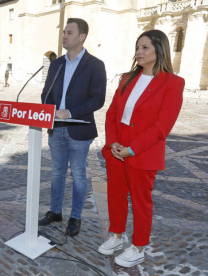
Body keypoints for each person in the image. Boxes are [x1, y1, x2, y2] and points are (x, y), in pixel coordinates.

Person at [98, 29, 184, 268]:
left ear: (160, 49)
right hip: (117, 146)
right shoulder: (127, 78)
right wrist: (113, 141)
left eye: (145, 47)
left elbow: (161, 127)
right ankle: (116, 235)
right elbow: (113, 112)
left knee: (140, 201)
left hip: (143, 150)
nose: (139, 52)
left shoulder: (173, 83)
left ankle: (138, 247)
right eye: (137, 47)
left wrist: (132, 149)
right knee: (115, 195)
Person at [39, 18, 106, 237]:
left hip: (80, 129)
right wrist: (48, 110)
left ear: (82, 37)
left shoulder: (96, 65)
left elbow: (98, 99)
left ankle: (75, 217)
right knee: (57, 172)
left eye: (69, 32)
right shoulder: (57, 64)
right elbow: (46, 93)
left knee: (78, 174)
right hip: (56, 128)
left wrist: (71, 111)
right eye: (64, 32)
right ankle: (55, 211)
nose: (64, 36)